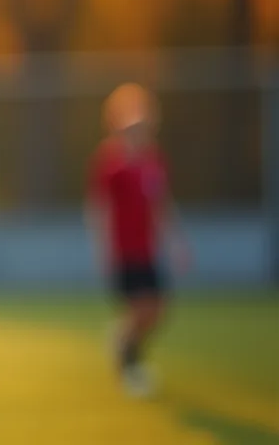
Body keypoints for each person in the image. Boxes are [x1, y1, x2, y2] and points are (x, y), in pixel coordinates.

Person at [86, 82, 189, 398]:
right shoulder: (111, 162)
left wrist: (176, 243)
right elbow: (99, 208)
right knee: (141, 307)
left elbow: (161, 205)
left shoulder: (153, 160)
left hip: (148, 248)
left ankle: (123, 343)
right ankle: (129, 363)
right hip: (123, 250)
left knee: (158, 309)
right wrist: (103, 248)